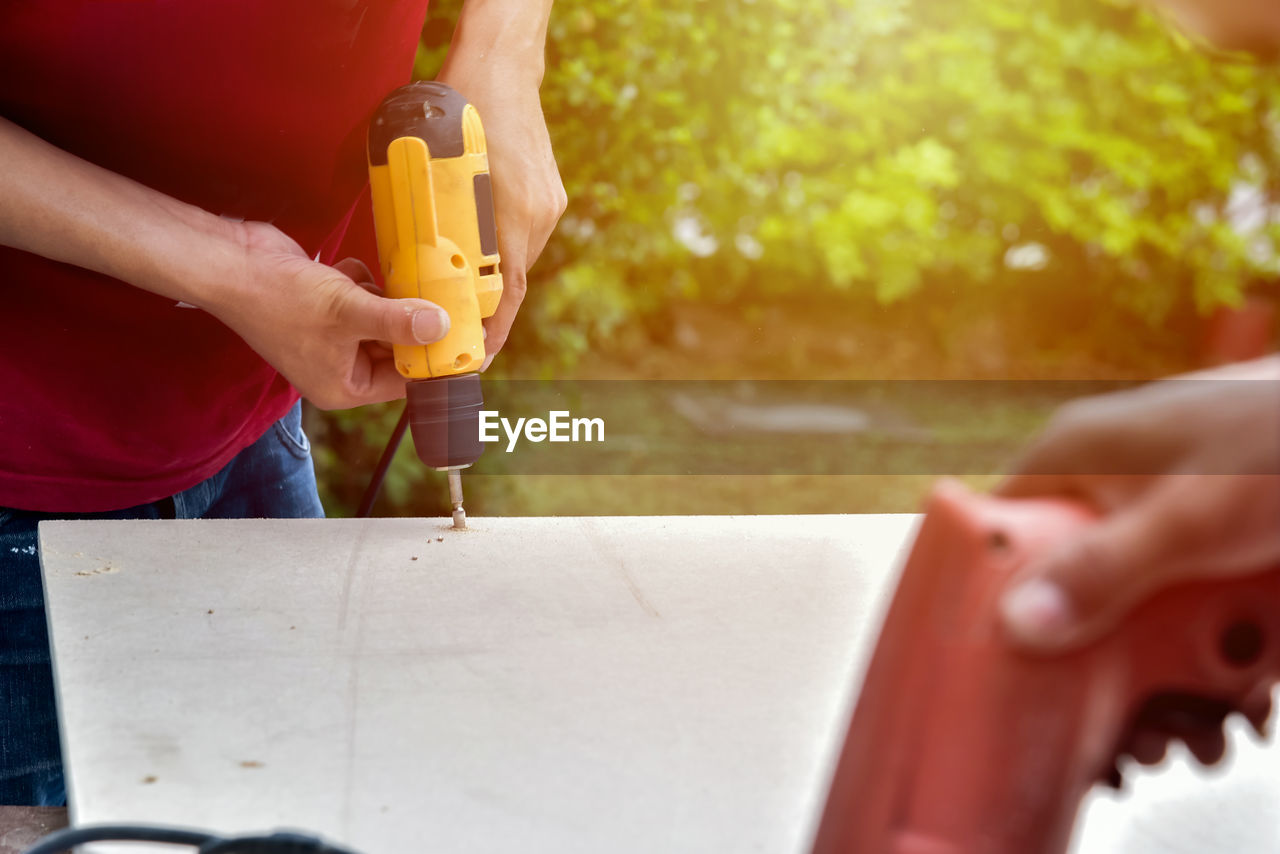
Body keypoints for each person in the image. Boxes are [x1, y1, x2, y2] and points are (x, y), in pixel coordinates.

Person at [0, 1, 565, 806]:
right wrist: (231, 269)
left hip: (248, 423)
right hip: (26, 487)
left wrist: (505, 51)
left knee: (302, 807)